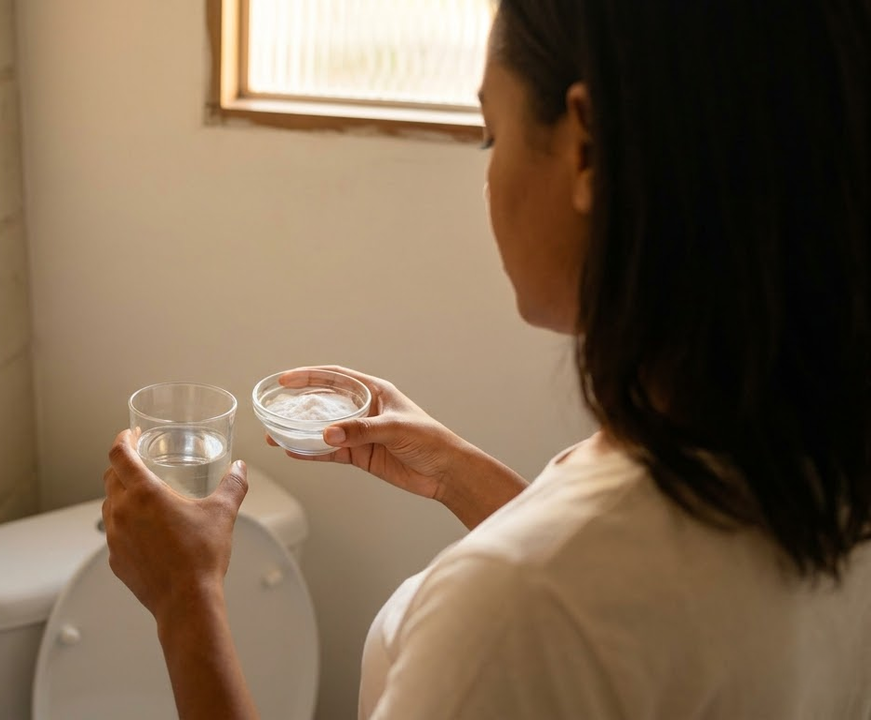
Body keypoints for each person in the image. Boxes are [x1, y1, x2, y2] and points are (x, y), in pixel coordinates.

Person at [100, 0, 871, 716]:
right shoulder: (816, 456)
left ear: (586, 151)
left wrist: (186, 598)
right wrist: (457, 473)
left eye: (490, 133)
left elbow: (570, 600)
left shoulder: (512, 612)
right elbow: (631, 600)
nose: (488, 176)